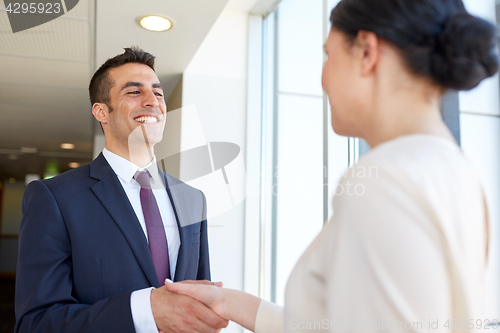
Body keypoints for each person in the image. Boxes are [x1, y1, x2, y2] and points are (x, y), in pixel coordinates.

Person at [165, 0, 499, 332]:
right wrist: (231, 303)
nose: (323, 77)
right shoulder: (458, 173)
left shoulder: (385, 180)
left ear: (366, 52)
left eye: (328, 54)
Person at [15, 47, 228, 333]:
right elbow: (36, 323)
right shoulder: (55, 198)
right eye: (134, 92)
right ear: (101, 111)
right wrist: (147, 310)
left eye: (158, 92)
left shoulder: (192, 200)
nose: (153, 101)